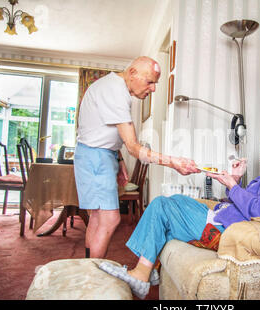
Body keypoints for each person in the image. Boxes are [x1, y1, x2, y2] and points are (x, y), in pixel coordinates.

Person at [97, 124, 260, 299]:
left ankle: (141, 274)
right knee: (176, 200)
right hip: (223, 217)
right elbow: (252, 203)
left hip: (225, 230)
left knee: (162, 205)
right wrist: (236, 180)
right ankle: (150, 266)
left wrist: (233, 186)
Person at [74, 56, 200, 259]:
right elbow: (133, 146)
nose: (153, 88)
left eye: (155, 83)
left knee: (98, 219)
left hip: (96, 156)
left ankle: (89, 268)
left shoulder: (115, 87)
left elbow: (106, 132)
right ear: (132, 73)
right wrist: (173, 162)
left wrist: (118, 159)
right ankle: (94, 275)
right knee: (109, 220)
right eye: (149, 81)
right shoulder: (115, 91)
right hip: (96, 158)